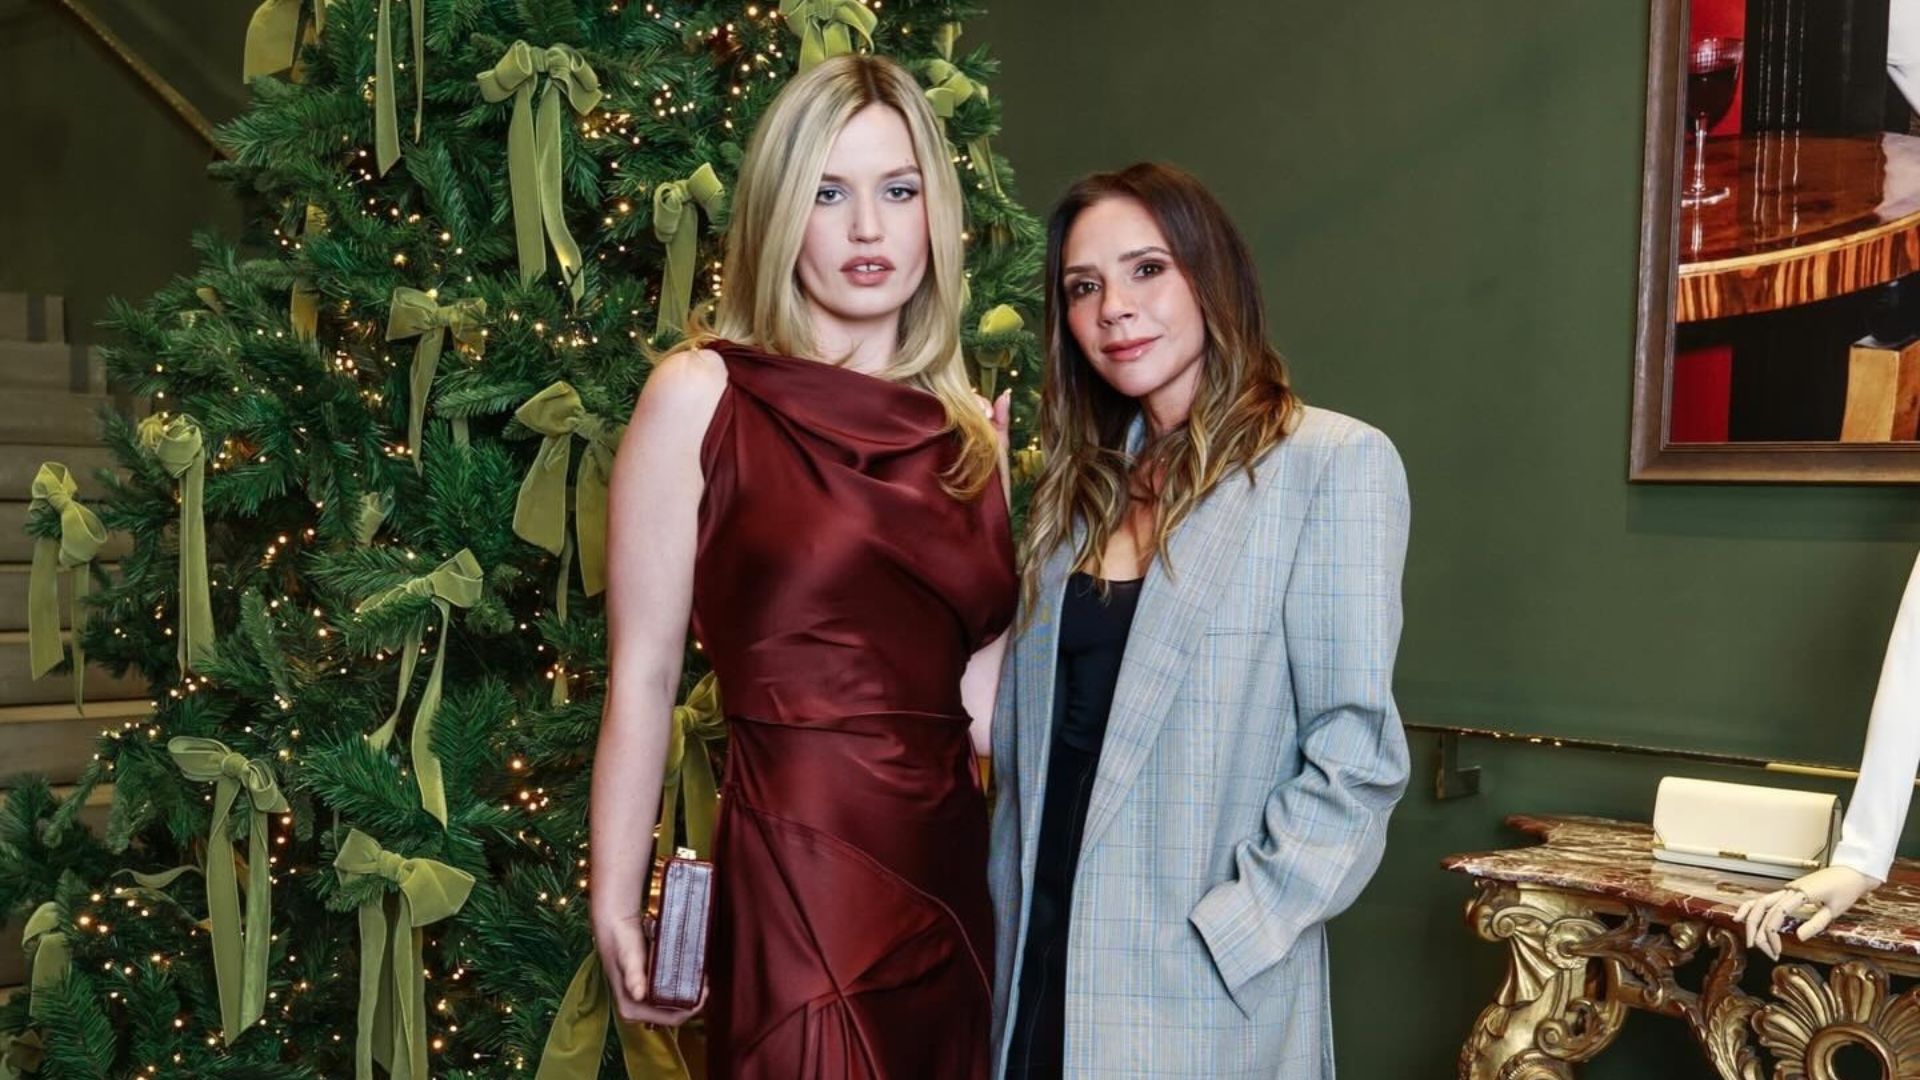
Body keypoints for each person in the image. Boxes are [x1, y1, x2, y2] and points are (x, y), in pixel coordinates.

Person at [588, 54, 1015, 1078]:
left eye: (897, 191)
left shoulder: (969, 435)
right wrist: (614, 898)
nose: (869, 229)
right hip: (796, 877)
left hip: (953, 887)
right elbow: (643, 679)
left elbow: (979, 708)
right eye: (830, 192)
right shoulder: (701, 395)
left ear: (933, 214)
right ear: (784, 211)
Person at [987, 162, 1411, 1079]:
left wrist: (1231, 933)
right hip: (1039, 974)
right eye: (1083, 287)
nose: (1113, 310)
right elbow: (1034, 745)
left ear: (1211, 277)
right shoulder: (1073, 500)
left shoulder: (1330, 464)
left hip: (1201, 994)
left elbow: (1357, 756)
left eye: (1148, 270)